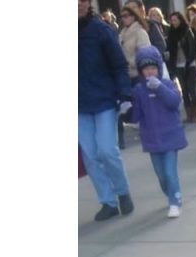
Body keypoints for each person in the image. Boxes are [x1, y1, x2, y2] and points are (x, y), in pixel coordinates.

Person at [78, 0, 134, 221]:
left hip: (104, 100)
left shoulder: (101, 29)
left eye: (82, 1)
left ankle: (122, 192)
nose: (78, 5)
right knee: (90, 155)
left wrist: (125, 95)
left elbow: (119, 64)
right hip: (78, 105)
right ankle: (107, 201)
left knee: (107, 151)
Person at [128, 46, 188, 219]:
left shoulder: (168, 84)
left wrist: (160, 88)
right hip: (152, 139)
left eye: (153, 68)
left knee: (170, 172)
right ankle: (170, 194)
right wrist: (126, 110)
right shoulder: (139, 91)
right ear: (141, 71)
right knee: (161, 176)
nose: (150, 72)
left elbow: (174, 102)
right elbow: (136, 115)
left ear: (159, 68)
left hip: (170, 136)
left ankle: (175, 200)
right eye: (146, 69)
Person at [167, 9, 196, 123]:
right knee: (184, 89)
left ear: (180, 20)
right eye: (172, 20)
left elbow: (193, 47)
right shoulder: (171, 33)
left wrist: (190, 61)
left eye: (175, 20)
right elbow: (170, 50)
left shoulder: (187, 31)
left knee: (193, 89)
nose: (173, 22)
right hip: (178, 65)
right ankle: (189, 116)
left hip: (189, 64)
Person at [118, 4, 151, 84]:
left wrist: (129, 62)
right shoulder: (121, 34)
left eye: (126, 16)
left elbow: (145, 54)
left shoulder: (140, 32)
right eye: (121, 16)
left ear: (133, 17)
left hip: (138, 75)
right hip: (126, 75)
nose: (123, 18)